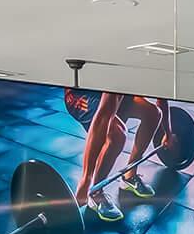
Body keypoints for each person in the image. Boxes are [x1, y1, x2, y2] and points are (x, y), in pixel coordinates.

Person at [65, 87, 167, 222]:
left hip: (113, 91)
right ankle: (96, 193)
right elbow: (103, 117)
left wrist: (168, 134)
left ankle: (129, 175)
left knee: (153, 113)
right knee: (117, 135)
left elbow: (162, 102)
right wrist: (86, 179)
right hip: (81, 94)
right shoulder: (119, 76)